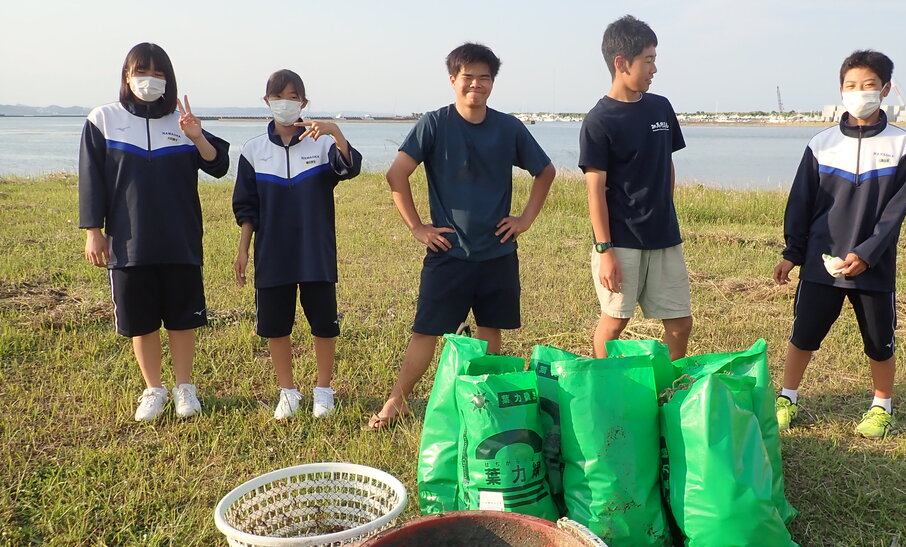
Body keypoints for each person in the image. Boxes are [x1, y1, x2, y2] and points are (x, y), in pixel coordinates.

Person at [368, 43, 556, 431]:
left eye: (484, 77)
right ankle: (396, 401)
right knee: (426, 331)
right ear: (453, 80)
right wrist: (417, 227)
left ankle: (481, 404)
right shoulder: (434, 124)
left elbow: (546, 171)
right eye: (467, 76)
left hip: (497, 252)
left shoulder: (508, 127)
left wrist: (525, 219)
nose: (476, 84)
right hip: (448, 252)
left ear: (492, 83)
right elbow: (396, 175)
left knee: (491, 330)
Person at [79, 42, 230, 422]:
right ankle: (154, 388)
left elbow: (218, 165)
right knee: (141, 321)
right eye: (141, 72)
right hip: (129, 243)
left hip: (180, 238)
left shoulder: (182, 121)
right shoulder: (103, 120)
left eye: (159, 74)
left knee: (183, 318)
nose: (150, 80)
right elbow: (91, 180)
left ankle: (184, 388)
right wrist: (93, 232)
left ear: (170, 80)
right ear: (127, 77)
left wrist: (197, 135)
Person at [773, 49, 906, 438]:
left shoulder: (902, 144)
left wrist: (867, 254)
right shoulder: (821, 144)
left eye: (869, 85)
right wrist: (792, 253)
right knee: (804, 334)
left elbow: (894, 213)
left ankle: (881, 405)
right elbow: (800, 203)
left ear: (885, 89)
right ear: (841, 90)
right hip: (822, 263)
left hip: (874, 266)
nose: (860, 92)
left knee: (879, 340)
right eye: (851, 86)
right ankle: (787, 398)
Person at [232, 69, 362, 420]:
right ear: (267, 101)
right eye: (278, 96)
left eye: (293, 97)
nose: (285, 103)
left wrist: (335, 132)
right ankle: (287, 392)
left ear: (304, 103)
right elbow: (248, 208)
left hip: (315, 250)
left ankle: (323, 390)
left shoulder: (321, 144)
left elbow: (349, 168)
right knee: (277, 325)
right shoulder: (253, 151)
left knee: (323, 322)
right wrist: (243, 249)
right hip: (272, 253)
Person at [578, 15, 691, 360]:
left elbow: (666, 164)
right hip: (621, 240)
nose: (654, 68)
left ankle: (671, 390)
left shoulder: (660, 107)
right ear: (621, 63)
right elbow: (595, 190)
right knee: (614, 323)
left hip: (664, 236)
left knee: (680, 323)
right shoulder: (599, 121)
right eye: (648, 60)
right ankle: (605, 388)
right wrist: (604, 249)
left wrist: (661, 210)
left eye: (654, 59)